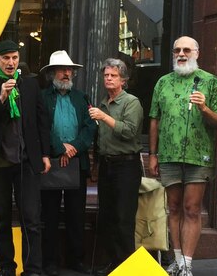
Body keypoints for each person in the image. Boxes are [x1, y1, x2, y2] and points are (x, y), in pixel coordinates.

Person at [147, 36, 217, 276]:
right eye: (177, 50)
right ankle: (177, 261)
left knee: (192, 209)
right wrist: (153, 154)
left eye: (187, 50)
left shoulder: (210, 82)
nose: (181, 54)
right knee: (173, 208)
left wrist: (204, 108)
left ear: (197, 53)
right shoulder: (163, 82)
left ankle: (188, 264)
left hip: (198, 156)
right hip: (168, 155)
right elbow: (154, 120)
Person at [0, 39, 52, 276]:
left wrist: (46, 154)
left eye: (15, 58)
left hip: (27, 159)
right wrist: (0, 98)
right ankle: (7, 267)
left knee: (31, 218)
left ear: (19, 60)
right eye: (6, 58)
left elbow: (42, 121)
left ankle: (33, 269)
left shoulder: (29, 85)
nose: (11, 62)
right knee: (1, 219)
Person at [38, 51, 96, 276]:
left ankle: (76, 260)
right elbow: (41, 126)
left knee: (76, 214)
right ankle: (50, 262)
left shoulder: (82, 97)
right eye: (61, 69)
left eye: (69, 69)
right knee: (49, 215)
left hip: (77, 163)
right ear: (52, 73)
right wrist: (60, 148)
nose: (66, 73)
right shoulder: (43, 97)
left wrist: (73, 148)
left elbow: (90, 127)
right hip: (50, 162)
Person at [88, 58, 143, 275]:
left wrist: (104, 117)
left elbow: (129, 131)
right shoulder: (103, 102)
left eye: (113, 76)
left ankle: (126, 267)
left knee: (123, 218)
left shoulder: (131, 102)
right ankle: (113, 263)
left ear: (123, 80)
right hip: (106, 165)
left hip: (126, 166)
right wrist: (95, 165)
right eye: (106, 75)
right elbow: (100, 137)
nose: (108, 79)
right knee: (107, 216)